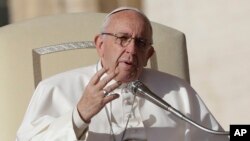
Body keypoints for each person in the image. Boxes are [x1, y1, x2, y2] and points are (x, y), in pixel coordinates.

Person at [16, 7, 229, 141]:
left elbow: (219, 137)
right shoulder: (56, 88)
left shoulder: (178, 91)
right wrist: (78, 116)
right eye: (122, 38)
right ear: (100, 44)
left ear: (149, 54)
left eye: (141, 43)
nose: (131, 49)